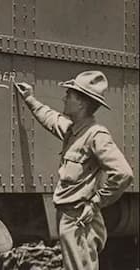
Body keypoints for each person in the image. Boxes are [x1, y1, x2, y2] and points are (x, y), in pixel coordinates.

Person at [14, 71, 134, 270]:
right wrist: (30, 99)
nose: (65, 97)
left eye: (69, 94)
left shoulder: (96, 135)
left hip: (79, 219)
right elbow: (51, 119)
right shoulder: (74, 130)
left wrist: (96, 202)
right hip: (70, 218)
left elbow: (123, 173)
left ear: (81, 103)